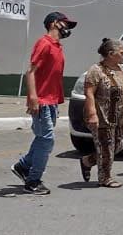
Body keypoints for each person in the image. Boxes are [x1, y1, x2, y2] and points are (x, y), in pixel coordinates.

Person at [12, 11, 76, 196]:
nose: (68, 28)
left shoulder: (57, 46)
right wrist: (33, 98)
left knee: (42, 138)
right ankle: (33, 180)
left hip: (52, 100)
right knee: (47, 140)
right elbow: (31, 72)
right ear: (55, 23)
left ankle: (23, 166)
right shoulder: (44, 43)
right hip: (42, 100)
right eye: (66, 24)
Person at [79, 38, 123, 188]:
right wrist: (92, 114)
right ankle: (105, 178)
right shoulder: (96, 71)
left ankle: (88, 161)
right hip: (102, 116)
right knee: (106, 148)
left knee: (119, 145)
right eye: (121, 52)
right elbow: (89, 93)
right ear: (110, 54)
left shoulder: (121, 69)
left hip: (119, 117)